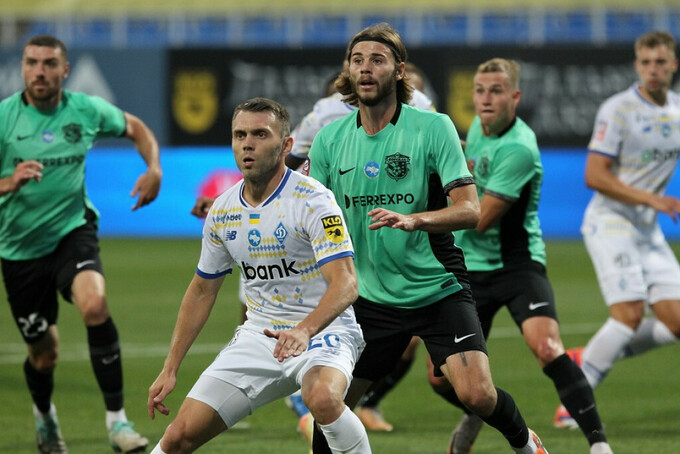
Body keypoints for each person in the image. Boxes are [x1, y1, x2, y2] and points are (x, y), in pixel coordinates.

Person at [307, 23, 548, 454]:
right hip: (368, 299)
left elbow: (471, 210)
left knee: (477, 394)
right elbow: (313, 216)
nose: (365, 68)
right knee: (330, 407)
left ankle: (526, 444)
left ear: (400, 71)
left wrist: (414, 220)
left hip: (435, 288)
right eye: (357, 60)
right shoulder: (329, 140)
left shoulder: (433, 128)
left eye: (377, 60)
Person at [147, 97, 371, 454]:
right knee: (177, 438)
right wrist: (170, 367)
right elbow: (202, 290)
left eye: (260, 134)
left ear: (286, 145)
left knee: (322, 398)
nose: (247, 144)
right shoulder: (223, 209)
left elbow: (346, 283)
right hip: (258, 338)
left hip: (323, 333)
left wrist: (304, 330)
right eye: (240, 135)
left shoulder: (314, 200)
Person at [0, 35, 161, 454]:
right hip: (19, 250)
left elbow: (137, 128)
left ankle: (117, 422)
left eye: (49, 63)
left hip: (73, 231)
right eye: (32, 63)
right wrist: (9, 182)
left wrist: (154, 168)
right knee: (45, 355)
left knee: (95, 305)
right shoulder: (4, 119)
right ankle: (45, 418)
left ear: (65, 70)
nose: (40, 71)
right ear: (23, 68)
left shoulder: (85, 110)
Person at [443, 58, 612, 454]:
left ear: (515, 97)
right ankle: (480, 409)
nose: (486, 99)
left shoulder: (519, 147)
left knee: (548, 347)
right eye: (480, 91)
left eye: (496, 91)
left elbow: (480, 219)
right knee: (441, 378)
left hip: (517, 265)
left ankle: (599, 444)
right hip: (470, 268)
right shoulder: (476, 131)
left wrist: (419, 219)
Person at [553, 30, 680, 428]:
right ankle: (574, 400)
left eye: (660, 62)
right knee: (628, 314)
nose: (653, 69)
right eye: (646, 62)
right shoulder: (619, 109)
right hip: (611, 222)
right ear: (637, 65)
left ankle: (587, 356)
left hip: (647, 230)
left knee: (677, 322)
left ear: (674, 65)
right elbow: (594, 174)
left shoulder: (677, 110)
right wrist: (651, 199)